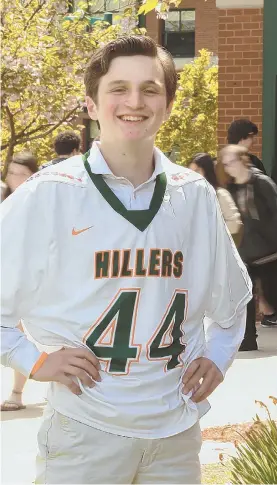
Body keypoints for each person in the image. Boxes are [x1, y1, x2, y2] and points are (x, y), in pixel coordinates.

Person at [0, 35, 251, 484]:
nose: (134, 101)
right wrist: (33, 361)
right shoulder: (51, 192)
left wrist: (218, 356)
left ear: (168, 104)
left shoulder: (193, 195)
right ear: (92, 105)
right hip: (85, 431)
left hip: (176, 432)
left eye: (150, 89)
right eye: (118, 88)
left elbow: (232, 306)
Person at [220, 144, 277, 349]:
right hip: (246, 252)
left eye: (230, 162)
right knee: (245, 296)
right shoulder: (232, 187)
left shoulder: (261, 182)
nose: (227, 167)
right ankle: (248, 339)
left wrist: (268, 238)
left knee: (275, 298)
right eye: (225, 164)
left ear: (243, 161)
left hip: (268, 253)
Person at [1, 151, 39, 412]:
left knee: (19, 333)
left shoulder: (35, 202)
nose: (15, 178)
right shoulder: (3, 198)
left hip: (26, 276)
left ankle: (17, 392)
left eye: (21, 174)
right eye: (11, 173)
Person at [189, 152, 243, 246]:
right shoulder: (188, 196)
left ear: (207, 171)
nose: (193, 175)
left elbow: (235, 223)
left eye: (197, 171)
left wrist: (212, 231)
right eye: (190, 171)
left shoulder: (220, 195)